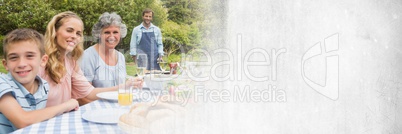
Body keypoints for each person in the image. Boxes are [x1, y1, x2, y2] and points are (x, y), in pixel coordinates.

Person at [39, 11, 142, 106]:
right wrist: (67, 106)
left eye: (78, 33)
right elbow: (81, 98)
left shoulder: (71, 62)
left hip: (64, 118)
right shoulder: (40, 62)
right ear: (55, 31)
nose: (74, 36)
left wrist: (126, 86)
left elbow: (90, 92)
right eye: (69, 30)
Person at [0, 29, 79, 133]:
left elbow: (36, 123)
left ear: (43, 60)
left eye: (29, 56)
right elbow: (23, 121)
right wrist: (66, 105)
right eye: (14, 58)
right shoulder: (2, 83)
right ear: (6, 64)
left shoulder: (44, 86)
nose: (22, 64)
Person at [80, 12, 128, 88]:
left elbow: (123, 88)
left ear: (121, 34)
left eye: (115, 32)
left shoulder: (121, 57)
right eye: (107, 32)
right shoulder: (87, 56)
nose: (111, 36)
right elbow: (84, 95)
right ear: (99, 34)